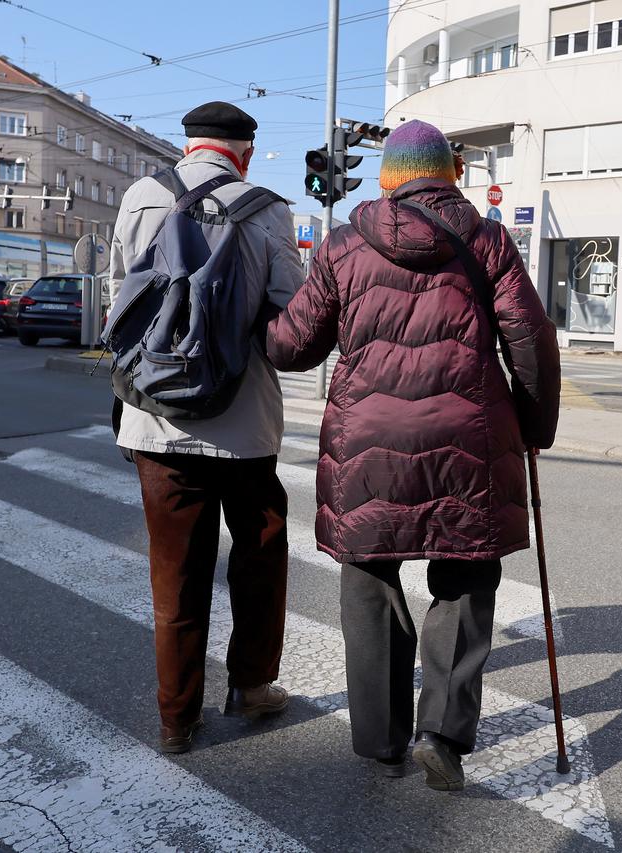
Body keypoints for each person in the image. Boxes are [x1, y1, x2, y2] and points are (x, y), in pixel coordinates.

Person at [267, 120, 561, 789]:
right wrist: (534, 426)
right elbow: (531, 338)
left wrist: (259, 327)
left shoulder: (344, 246)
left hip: (368, 441)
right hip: (468, 437)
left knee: (369, 579)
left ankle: (380, 738)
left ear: (389, 179)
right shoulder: (486, 240)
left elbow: (294, 345)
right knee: (464, 579)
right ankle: (442, 735)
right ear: (449, 174)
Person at [108, 102, 304, 755]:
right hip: (244, 425)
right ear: (243, 152)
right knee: (259, 557)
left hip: (156, 422)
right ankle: (251, 686)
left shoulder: (140, 196)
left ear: (189, 146)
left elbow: (120, 308)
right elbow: (290, 323)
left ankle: (175, 720)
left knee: (176, 571)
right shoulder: (267, 208)